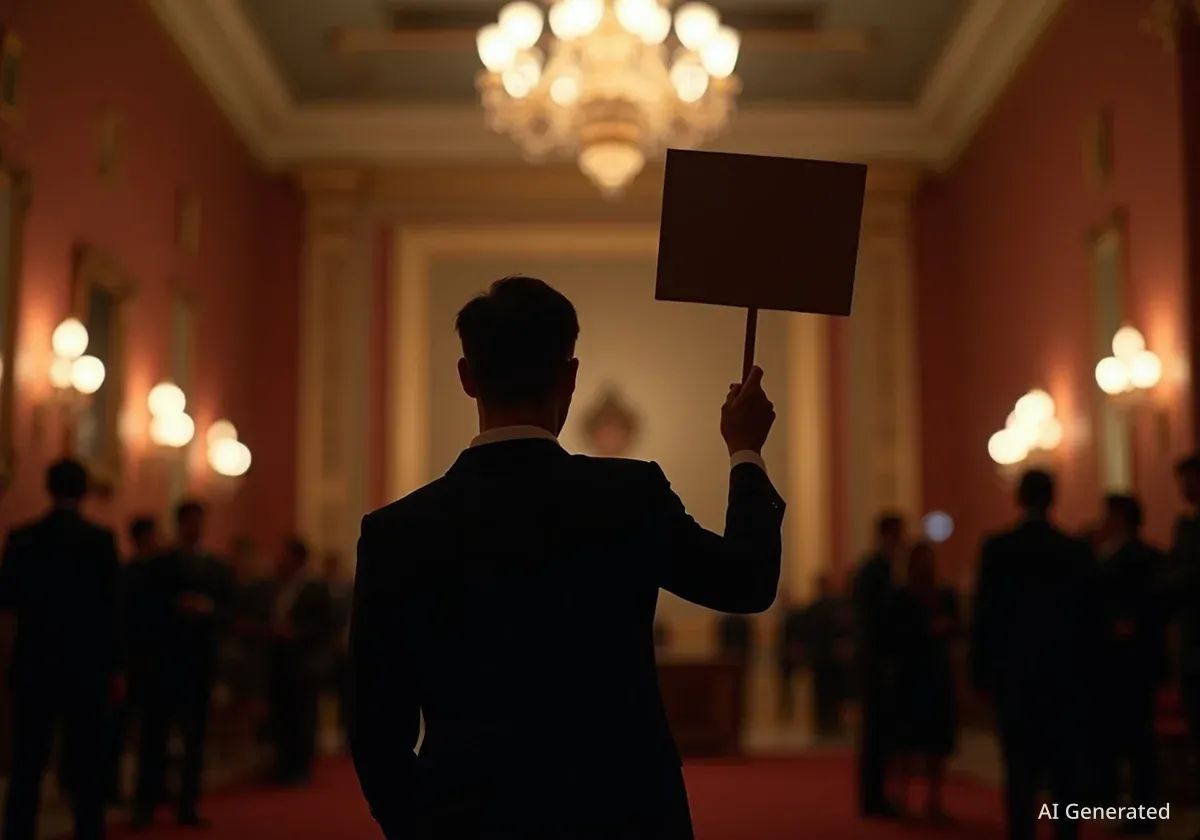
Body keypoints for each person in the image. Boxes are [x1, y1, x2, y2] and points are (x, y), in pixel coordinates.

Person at [349, 276, 783, 839]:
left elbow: (375, 729)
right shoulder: (630, 495)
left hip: (466, 819)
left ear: (466, 377)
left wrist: (420, 826)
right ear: (570, 376)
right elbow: (746, 583)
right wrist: (745, 449)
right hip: (625, 814)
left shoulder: (395, 531)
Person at [970, 470, 1103, 840]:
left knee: (1019, 769)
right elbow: (1091, 620)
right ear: (1052, 498)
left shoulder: (998, 548)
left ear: (1019, 498)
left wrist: (979, 674)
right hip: (1065, 677)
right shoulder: (1074, 550)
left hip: (1015, 677)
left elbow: (985, 616)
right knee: (1065, 769)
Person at [0, 459, 121, 840]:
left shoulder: (23, 538)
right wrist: (115, 668)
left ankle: (18, 832)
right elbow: (113, 611)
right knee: (87, 763)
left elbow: (8, 602)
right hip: (85, 668)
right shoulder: (100, 540)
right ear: (84, 491)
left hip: (36, 661)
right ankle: (88, 831)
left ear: (48, 488)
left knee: (27, 763)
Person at [133, 500, 234, 830]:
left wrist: (208, 609)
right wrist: (174, 607)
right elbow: (142, 612)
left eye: (198, 522)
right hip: (162, 662)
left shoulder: (216, 567)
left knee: (195, 740)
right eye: (189, 522)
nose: (194, 528)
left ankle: (187, 805)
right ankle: (146, 804)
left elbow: (230, 614)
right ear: (179, 524)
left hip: (199, 664)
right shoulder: (159, 564)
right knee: (153, 738)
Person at [1097, 494, 1168, 836]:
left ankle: (1139, 811)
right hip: (1135, 664)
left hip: (1125, 664)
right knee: (1134, 740)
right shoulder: (1147, 555)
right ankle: (1138, 810)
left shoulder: (1133, 557)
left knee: (1134, 740)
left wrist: (1128, 625)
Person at [891, 542, 960, 821]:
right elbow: (894, 633)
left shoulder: (945, 593)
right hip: (909, 675)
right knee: (905, 743)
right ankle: (901, 798)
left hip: (936, 675)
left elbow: (957, 625)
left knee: (936, 745)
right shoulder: (900, 597)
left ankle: (934, 800)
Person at [267, 538, 335, 785]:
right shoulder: (277, 586)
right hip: (280, 660)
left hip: (305, 662)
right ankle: (283, 766)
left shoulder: (315, 588)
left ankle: (300, 768)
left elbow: (326, 623)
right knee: (282, 715)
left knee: (303, 716)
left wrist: (297, 632)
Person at [851, 513, 906, 818]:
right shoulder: (876, 570)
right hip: (877, 664)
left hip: (875, 662)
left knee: (879, 734)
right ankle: (873, 799)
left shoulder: (875, 568)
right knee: (875, 735)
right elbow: (875, 621)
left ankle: (876, 796)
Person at [105, 515, 160, 805]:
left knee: (148, 730)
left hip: (148, 661)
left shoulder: (155, 571)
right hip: (133, 659)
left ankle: (147, 788)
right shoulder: (129, 573)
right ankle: (115, 788)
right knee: (120, 729)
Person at [804, 573, 854, 738]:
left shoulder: (834, 607)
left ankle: (830, 724)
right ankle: (825, 724)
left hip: (828, 658)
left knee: (830, 693)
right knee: (824, 693)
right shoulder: (822, 608)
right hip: (824, 658)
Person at [776, 595, 807, 723]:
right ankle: (786, 710)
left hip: (792, 653)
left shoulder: (794, 618)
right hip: (784, 654)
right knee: (785, 685)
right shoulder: (783, 618)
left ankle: (793, 711)